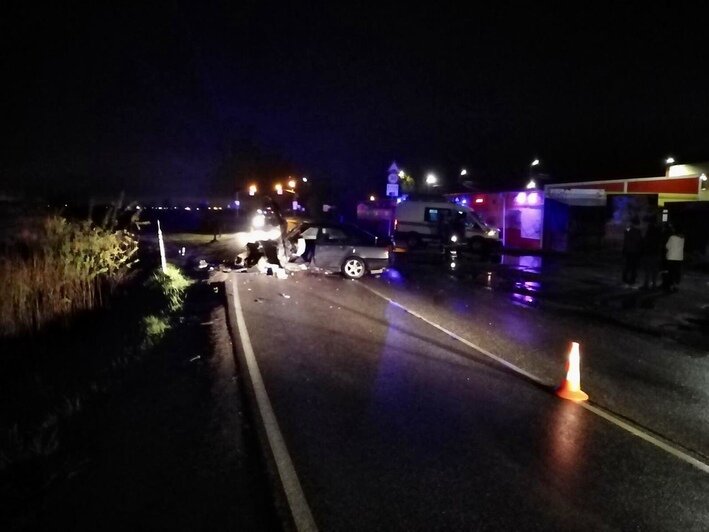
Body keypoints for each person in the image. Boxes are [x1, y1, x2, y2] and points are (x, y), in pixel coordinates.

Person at [641, 215, 663, 289]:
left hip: (649, 252)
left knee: (647, 270)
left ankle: (646, 284)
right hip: (655, 252)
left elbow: (644, 241)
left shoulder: (649, 230)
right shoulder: (658, 230)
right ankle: (653, 284)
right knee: (654, 270)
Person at [622, 216, 642, 287]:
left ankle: (625, 278)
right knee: (634, 266)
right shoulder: (638, 231)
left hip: (628, 250)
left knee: (628, 265)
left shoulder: (629, 229)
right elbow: (639, 241)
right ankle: (632, 279)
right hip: (635, 251)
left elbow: (625, 233)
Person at [665, 227, 685, 292]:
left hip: (671, 257)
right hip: (679, 258)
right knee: (677, 272)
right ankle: (675, 286)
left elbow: (667, 246)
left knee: (671, 272)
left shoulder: (672, 237)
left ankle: (670, 286)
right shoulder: (683, 238)